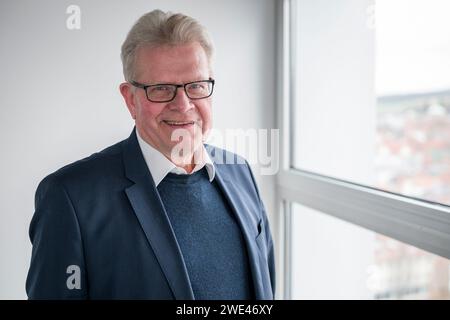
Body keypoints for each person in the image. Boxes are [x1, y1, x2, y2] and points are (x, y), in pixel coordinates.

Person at [26, 9, 275, 300]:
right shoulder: (70, 197)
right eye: (161, 89)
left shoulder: (240, 172)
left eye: (195, 86)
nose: (183, 105)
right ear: (130, 99)